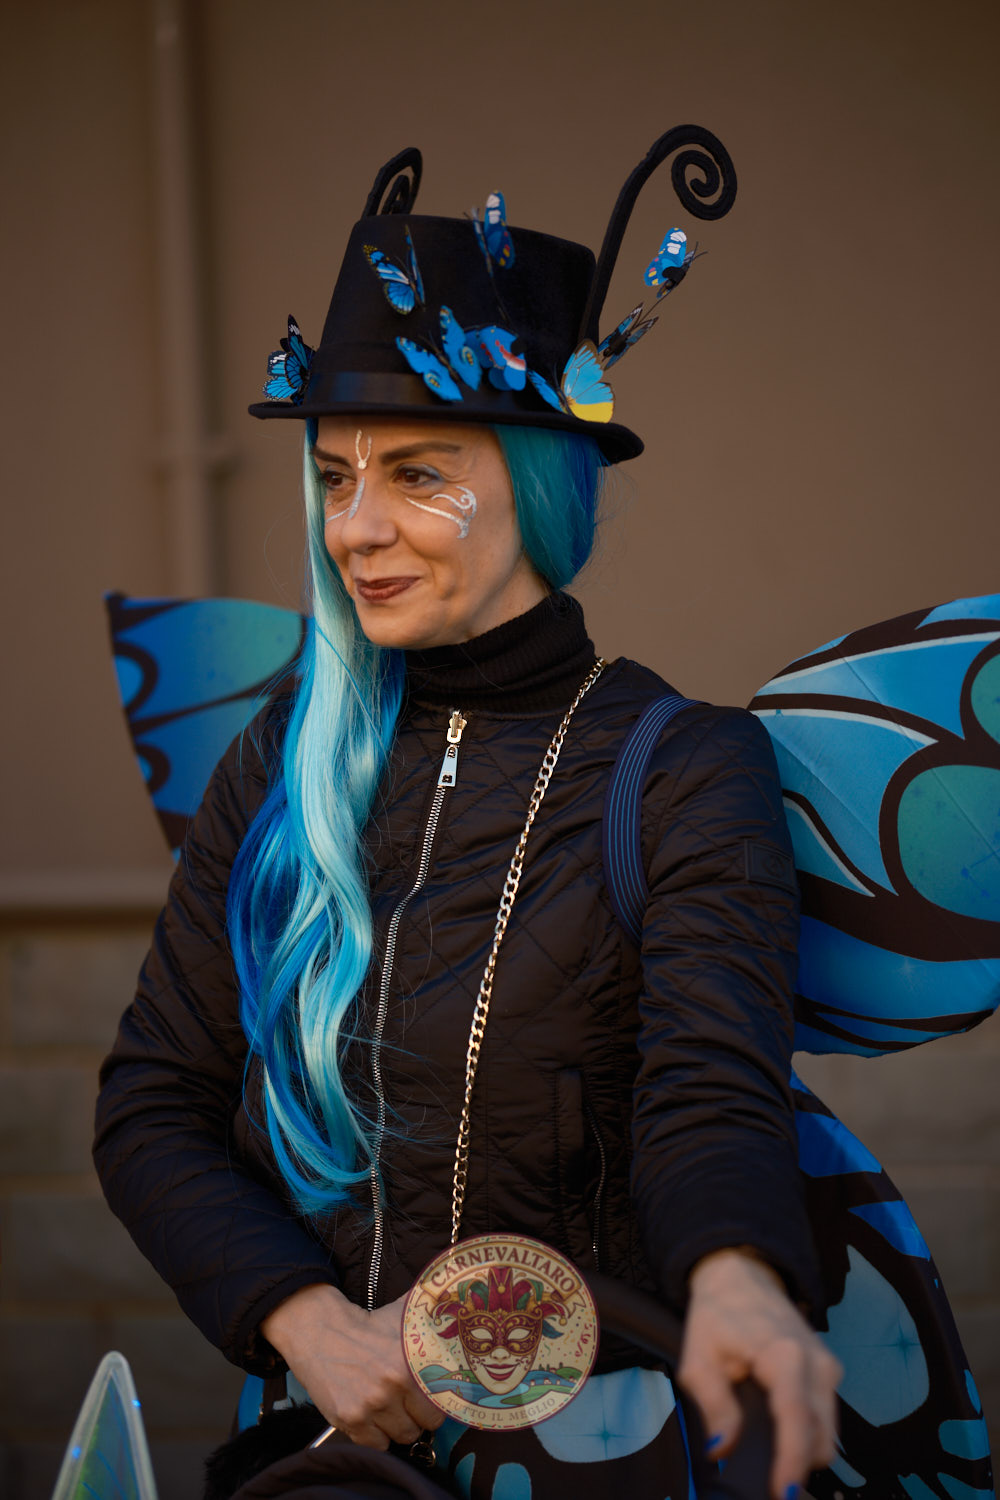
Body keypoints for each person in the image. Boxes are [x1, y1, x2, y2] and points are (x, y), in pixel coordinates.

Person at [94, 133, 841, 1500]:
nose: (355, 529)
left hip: (602, 1454)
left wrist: (739, 1277)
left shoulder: (683, 767)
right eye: (335, 477)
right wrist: (303, 1322)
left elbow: (710, 1093)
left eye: (417, 472)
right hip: (334, 1454)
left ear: (535, 483)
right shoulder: (282, 758)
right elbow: (154, 1105)